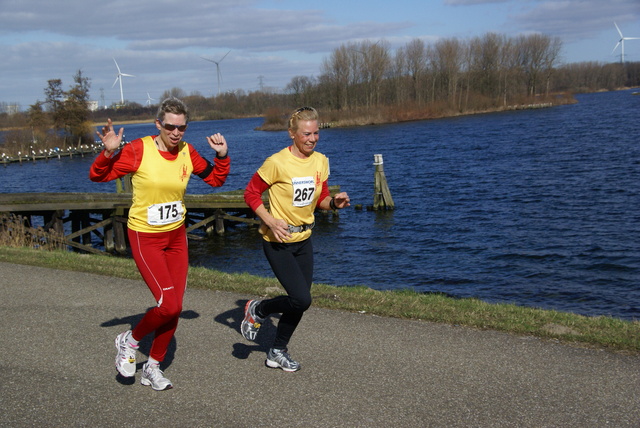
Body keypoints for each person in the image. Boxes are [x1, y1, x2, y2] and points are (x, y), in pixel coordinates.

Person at [89, 97, 230, 390]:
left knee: (174, 307)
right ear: (158, 125)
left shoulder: (188, 152)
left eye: (182, 127)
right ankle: (128, 341)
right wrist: (108, 152)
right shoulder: (139, 149)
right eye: (170, 127)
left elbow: (216, 180)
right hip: (145, 236)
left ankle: (152, 368)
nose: (176, 133)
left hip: (176, 237)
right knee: (167, 305)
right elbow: (97, 175)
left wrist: (222, 155)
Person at [242, 106, 350, 372]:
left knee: (299, 302)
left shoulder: (321, 161)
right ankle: (259, 309)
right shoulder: (277, 162)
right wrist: (269, 220)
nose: (312, 139)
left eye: (315, 133)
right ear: (292, 134)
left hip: (304, 239)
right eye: (306, 134)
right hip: (278, 241)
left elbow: (320, 200)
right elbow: (250, 194)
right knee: (302, 299)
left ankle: (277, 351)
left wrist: (334, 203)